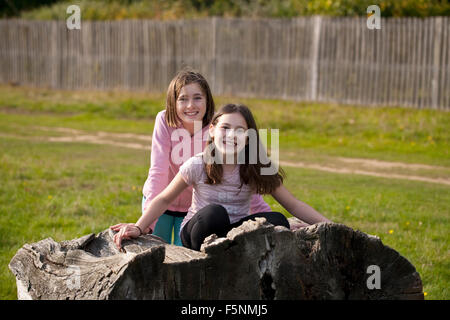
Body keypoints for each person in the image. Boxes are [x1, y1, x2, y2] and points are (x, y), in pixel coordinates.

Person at [112, 103, 331, 251]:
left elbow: (293, 204)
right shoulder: (198, 164)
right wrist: (139, 227)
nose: (231, 135)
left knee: (278, 219)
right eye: (225, 127)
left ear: (248, 138)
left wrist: (329, 226)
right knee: (216, 213)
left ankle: (231, 247)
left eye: (239, 130)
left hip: (236, 234)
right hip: (199, 231)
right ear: (213, 130)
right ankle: (224, 245)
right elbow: (164, 199)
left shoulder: (255, 167)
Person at [140, 70, 272, 246]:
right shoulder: (164, 120)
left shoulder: (218, 129)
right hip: (159, 202)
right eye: (183, 99)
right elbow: (158, 171)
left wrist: (264, 215)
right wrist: (146, 224)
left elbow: (242, 176)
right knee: (152, 252)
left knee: (183, 259)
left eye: (197, 98)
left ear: (207, 100)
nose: (190, 105)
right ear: (173, 102)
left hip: (193, 210)